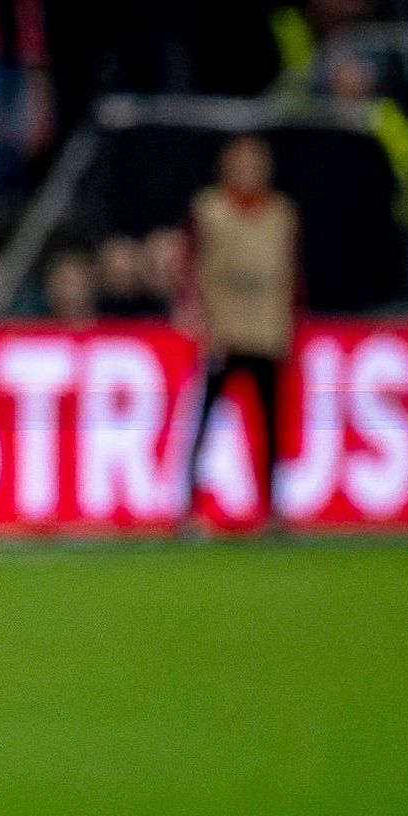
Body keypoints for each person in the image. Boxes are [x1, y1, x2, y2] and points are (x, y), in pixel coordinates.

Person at [176, 133, 298, 535]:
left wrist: (287, 325)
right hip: (223, 331)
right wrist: (201, 321)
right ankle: (191, 507)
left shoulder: (281, 213)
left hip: (266, 330)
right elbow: (192, 270)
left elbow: (292, 277)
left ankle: (273, 509)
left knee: (270, 425)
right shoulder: (209, 209)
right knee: (206, 421)